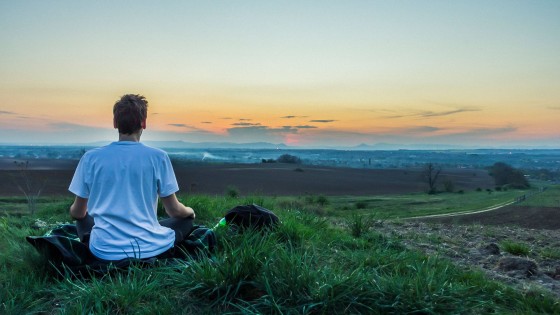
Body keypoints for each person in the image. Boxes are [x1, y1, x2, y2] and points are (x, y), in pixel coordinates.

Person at [68, 94, 195, 261]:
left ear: (115, 123)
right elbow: (174, 211)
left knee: (83, 219)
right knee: (185, 221)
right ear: (144, 123)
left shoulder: (91, 158)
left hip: (104, 250)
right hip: (149, 248)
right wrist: (190, 212)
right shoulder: (158, 157)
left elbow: (77, 213)